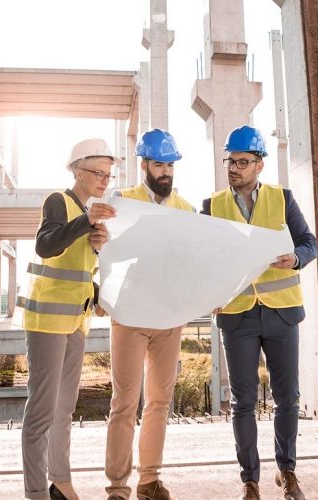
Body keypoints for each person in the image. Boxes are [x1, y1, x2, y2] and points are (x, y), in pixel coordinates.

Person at [201, 125, 318, 500]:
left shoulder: (282, 199)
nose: (233, 168)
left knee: (287, 397)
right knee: (244, 402)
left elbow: (309, 243)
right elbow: (202, 258)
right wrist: (209, 293)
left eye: (242, 161)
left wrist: (296, 258)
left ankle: (288, 472)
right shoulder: (212, 205)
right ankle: (250, 480)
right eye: (230, 161)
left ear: (259, 165)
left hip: (281, 313)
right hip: (237, 316)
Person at [17, 138, 117, 500]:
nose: (104, 179)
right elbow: (46, 245)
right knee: (41, 410)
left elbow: (77, 269)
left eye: (108, 174)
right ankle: (35, 492)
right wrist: (85, 222)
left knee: (64, 408)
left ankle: (60, 481)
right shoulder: (58, 201)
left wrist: (95, 248)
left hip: (76, 321)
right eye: (97, 172)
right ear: (77, 169)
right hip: (46, 321)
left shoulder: (88, 211)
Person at [104, 129, 195, 500]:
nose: (166, 172)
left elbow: (193, 261)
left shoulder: (187, 210)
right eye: (159, 164)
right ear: (144, 165)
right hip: (130, 315)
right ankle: (117, 487)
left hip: (169, 317)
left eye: (170, 165)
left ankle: (149, 481)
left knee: (159, 402)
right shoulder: (122, 201)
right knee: (124, 403)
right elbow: (104, 251)